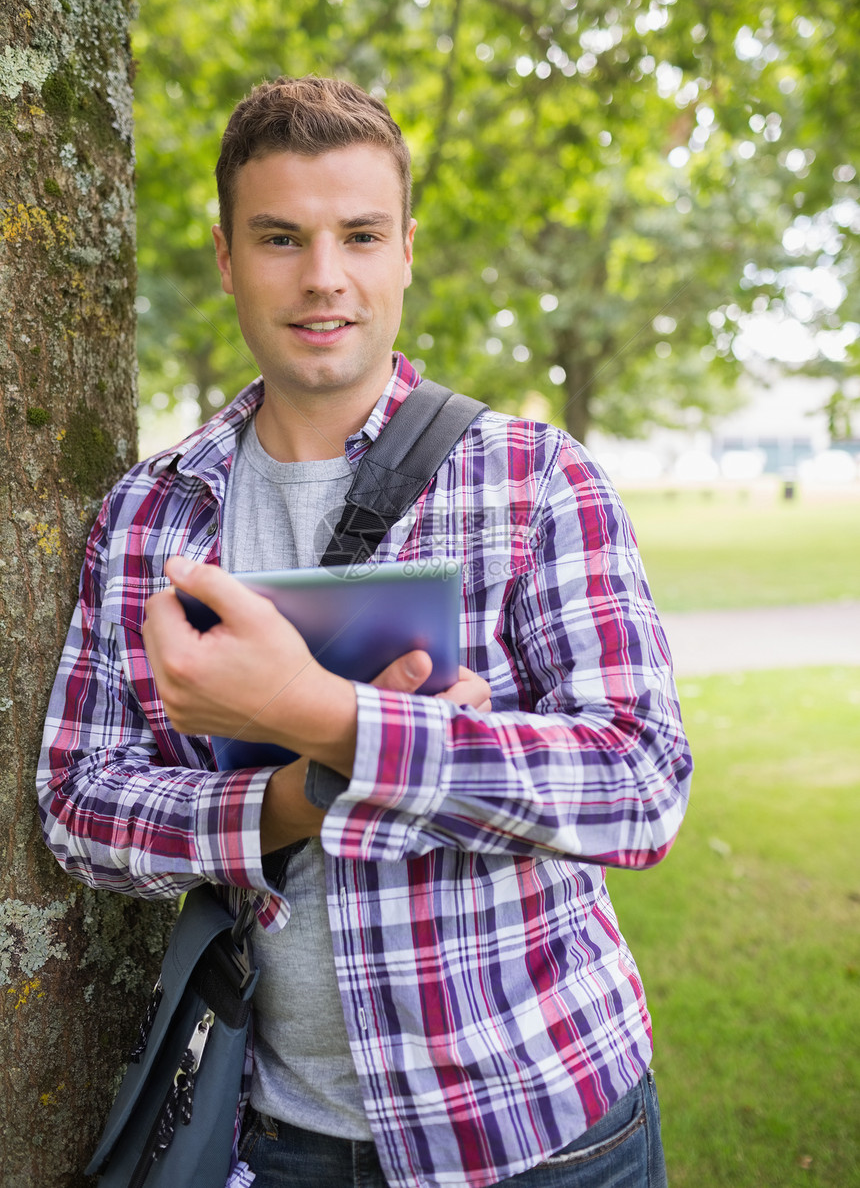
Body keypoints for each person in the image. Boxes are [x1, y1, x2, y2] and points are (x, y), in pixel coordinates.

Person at [38, 76, 692, 1188]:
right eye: (281, 237)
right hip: (279, 1132)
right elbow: (80, 803)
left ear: (403, 253)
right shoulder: (146, 514)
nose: (323, 276)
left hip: (539, 1124)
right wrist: (295, 794)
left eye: (358, 235)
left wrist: (323, 717)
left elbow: (640, 784)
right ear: (226, 254)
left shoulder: (535, 480)